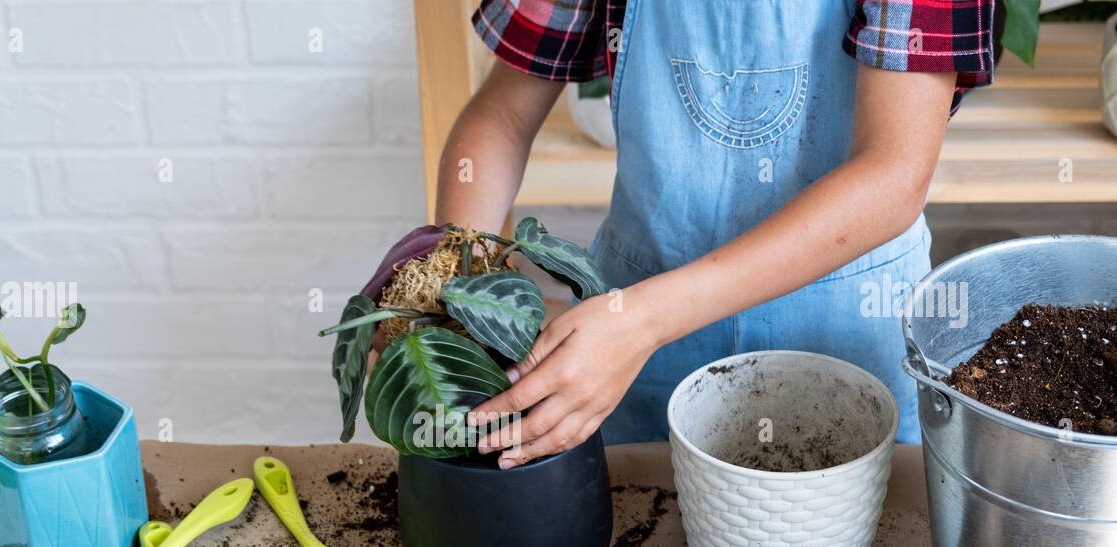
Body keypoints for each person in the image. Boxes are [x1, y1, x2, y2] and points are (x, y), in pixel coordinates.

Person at [424, 0, 996, 468]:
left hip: (841, 333)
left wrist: (640, 320)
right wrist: (450, 285)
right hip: (633, 352)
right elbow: (502, 119)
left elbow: (893, 177)